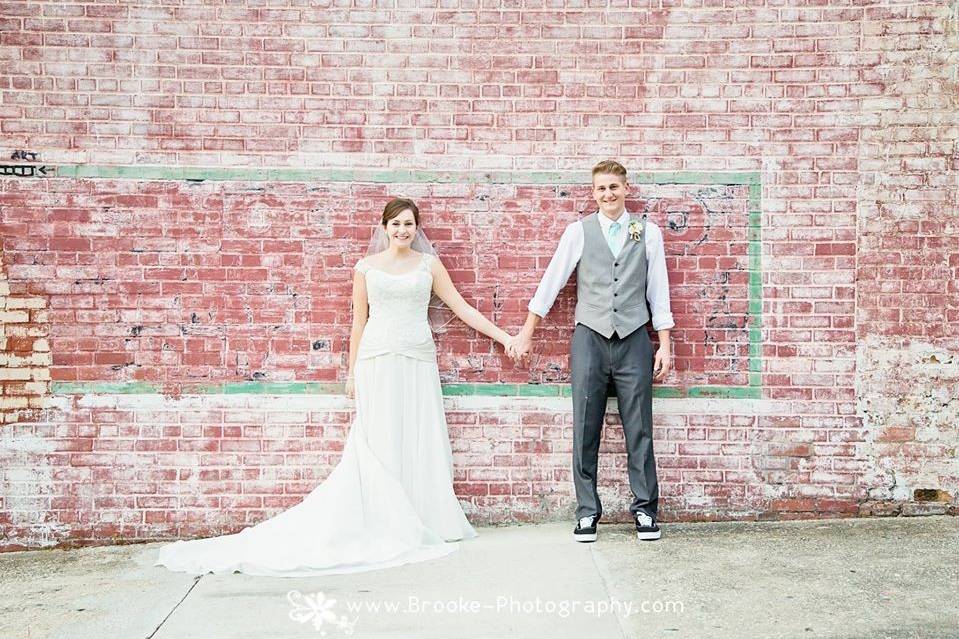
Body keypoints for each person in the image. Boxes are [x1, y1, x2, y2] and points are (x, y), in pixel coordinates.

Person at [155, 198, 516, 576]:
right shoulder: (367, 268)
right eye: (395, 224)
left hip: (418, 362)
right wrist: (352, 372)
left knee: (418, 437)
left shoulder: (428, 265)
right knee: (380, 440)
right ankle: (382, 519)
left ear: (417, 228)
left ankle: (423, 516)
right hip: (377, 362)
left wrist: (504, 336)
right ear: (384, 228)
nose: (402, 231)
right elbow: (358, 323)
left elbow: (461, 307)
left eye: (409, 224)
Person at [511, 160, 674, 543]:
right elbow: (551, 282)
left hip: (635, 337)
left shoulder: (646, 232)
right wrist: (527, 331)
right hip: (590, 337)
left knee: (640, 427)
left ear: (626, 188)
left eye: (614, 187)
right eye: (601, 188)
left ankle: (646, 511)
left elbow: (658, 291)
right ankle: (587, 512)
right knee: (586, 425)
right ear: (593, 191)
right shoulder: (578, 232)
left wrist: (664, 343)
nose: (608, 194)